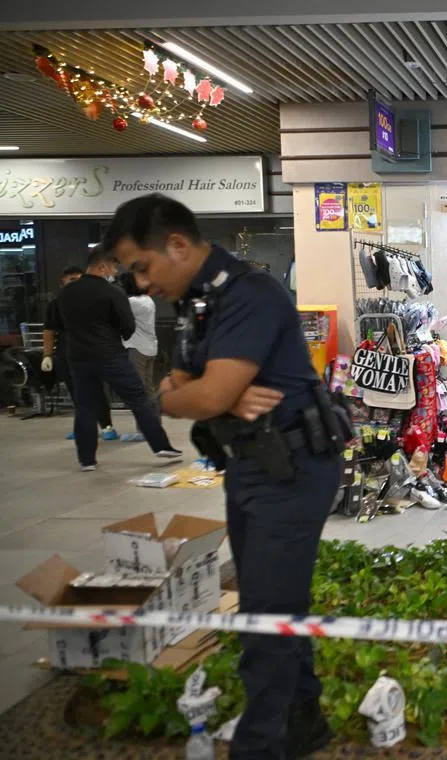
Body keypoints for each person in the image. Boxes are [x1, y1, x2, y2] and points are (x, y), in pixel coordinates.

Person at [104, 194, 346, 760]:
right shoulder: (199, 303)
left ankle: (259, 745)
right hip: (248, 466)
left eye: (141, 266)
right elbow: (168, 390)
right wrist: (213, 399)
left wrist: (206, 396)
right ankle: (303, 720)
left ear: (179, 244)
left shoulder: (250, 294)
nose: (140, 285)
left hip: (291, 470)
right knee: (273, 598)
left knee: (265, 613)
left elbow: (196, 391)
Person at [51, 249, 180, 471]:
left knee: (85, 407)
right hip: (110, 354)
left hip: (78, 357)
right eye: (113, 268)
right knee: (138, 398)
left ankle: (87, 460)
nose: (114, 272)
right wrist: (115, 336)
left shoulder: (65, 293)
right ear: (102, 267)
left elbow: (60, 326)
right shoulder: (112, 292)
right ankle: (161, 446)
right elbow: (127, 325)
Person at [42, 265, 118, 440]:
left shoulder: (92, 299)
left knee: (97, 390)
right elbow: (49, 330)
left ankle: (107, 426)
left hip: (92, 352)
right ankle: (84, 428)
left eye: (78, 279)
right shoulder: (57, 303)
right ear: (63, 281)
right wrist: (47, 355)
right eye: (71, 280)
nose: (75, 284)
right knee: (76, 392)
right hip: (66, 354)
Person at [119, 272, 159, 442]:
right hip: (150, 348)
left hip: (137, 349)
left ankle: (143, 430)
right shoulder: (147, 300)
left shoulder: (132, 303)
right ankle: (153, 425)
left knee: (137, 390)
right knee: (148, 390)